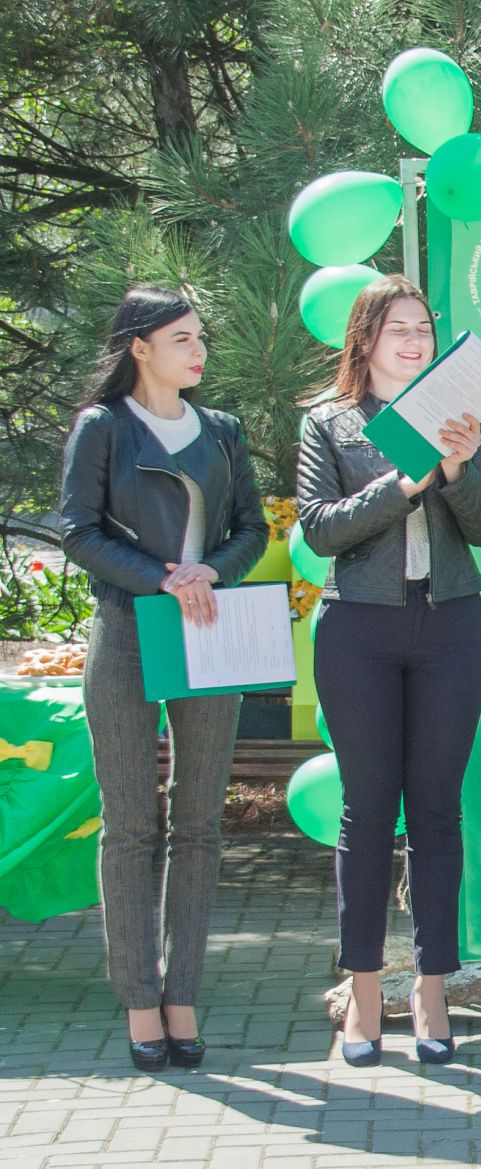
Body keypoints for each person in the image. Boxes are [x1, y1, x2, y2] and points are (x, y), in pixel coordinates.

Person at [295, 275, 481, 1066]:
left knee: (437, 813)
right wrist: (406, 481)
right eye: (399, 329)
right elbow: (321, 530)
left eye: (424, 327)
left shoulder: (466, 418)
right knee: (366, 813)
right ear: (366, 340)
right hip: (359, 628)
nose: (416, 340)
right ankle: (361, 990)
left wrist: (457, 469)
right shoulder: (330, 422)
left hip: (450, 623)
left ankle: (430, 988)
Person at [59, 284, 269, 1071]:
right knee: (129, 827)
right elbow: (77, 530)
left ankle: (183, 996)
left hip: (210, 636)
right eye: (183, 338)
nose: (199, 349)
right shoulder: (102, 427)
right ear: (139, 347)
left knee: (199, 826)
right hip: (126, 633)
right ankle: (140, 1003)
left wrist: (210, 570)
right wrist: (162, 579)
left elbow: (252, 528)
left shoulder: (223, 431)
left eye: (200, 336)